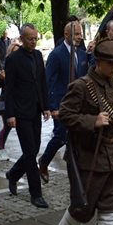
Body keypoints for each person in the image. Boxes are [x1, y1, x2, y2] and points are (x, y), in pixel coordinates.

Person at [52, 39, 113, 225]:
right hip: (88, 158)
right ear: (99, 62)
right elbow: (65, 115)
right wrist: (92, 120)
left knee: (110, 208)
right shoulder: (81, 86)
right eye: (110, 63)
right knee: (82, 208)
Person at [4, 23, 51, 208]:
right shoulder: (13, 59)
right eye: (30, 39)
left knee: (35, 147)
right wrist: (10, 114)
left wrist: (46, 106)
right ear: (22, 39)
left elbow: (41, 82)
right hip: (20, 111)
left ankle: (13, 174)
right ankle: (36, 193)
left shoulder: (38, 56)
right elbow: (9, 89)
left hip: (36, 109)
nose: (34, 42)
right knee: (30, 154)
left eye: (35, 38)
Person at [38, 21, 88, 184]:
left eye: (81, 34)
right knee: (60, 136)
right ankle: (44, 161)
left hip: (78, 104)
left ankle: (77, 170)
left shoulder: (81, 54)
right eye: (76, 34)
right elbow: (49, 82)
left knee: (76, 137)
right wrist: (52, 107)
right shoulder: (56, 55)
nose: (79, 37)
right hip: (61, 104)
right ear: (66, 35)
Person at [0, 39, 21, 161]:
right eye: (14, 52)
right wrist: (1, 78)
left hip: (20, 101)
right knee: (7, 126)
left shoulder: (22, 65)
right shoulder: (4, 66)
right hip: (7, 100)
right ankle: (1, 148)